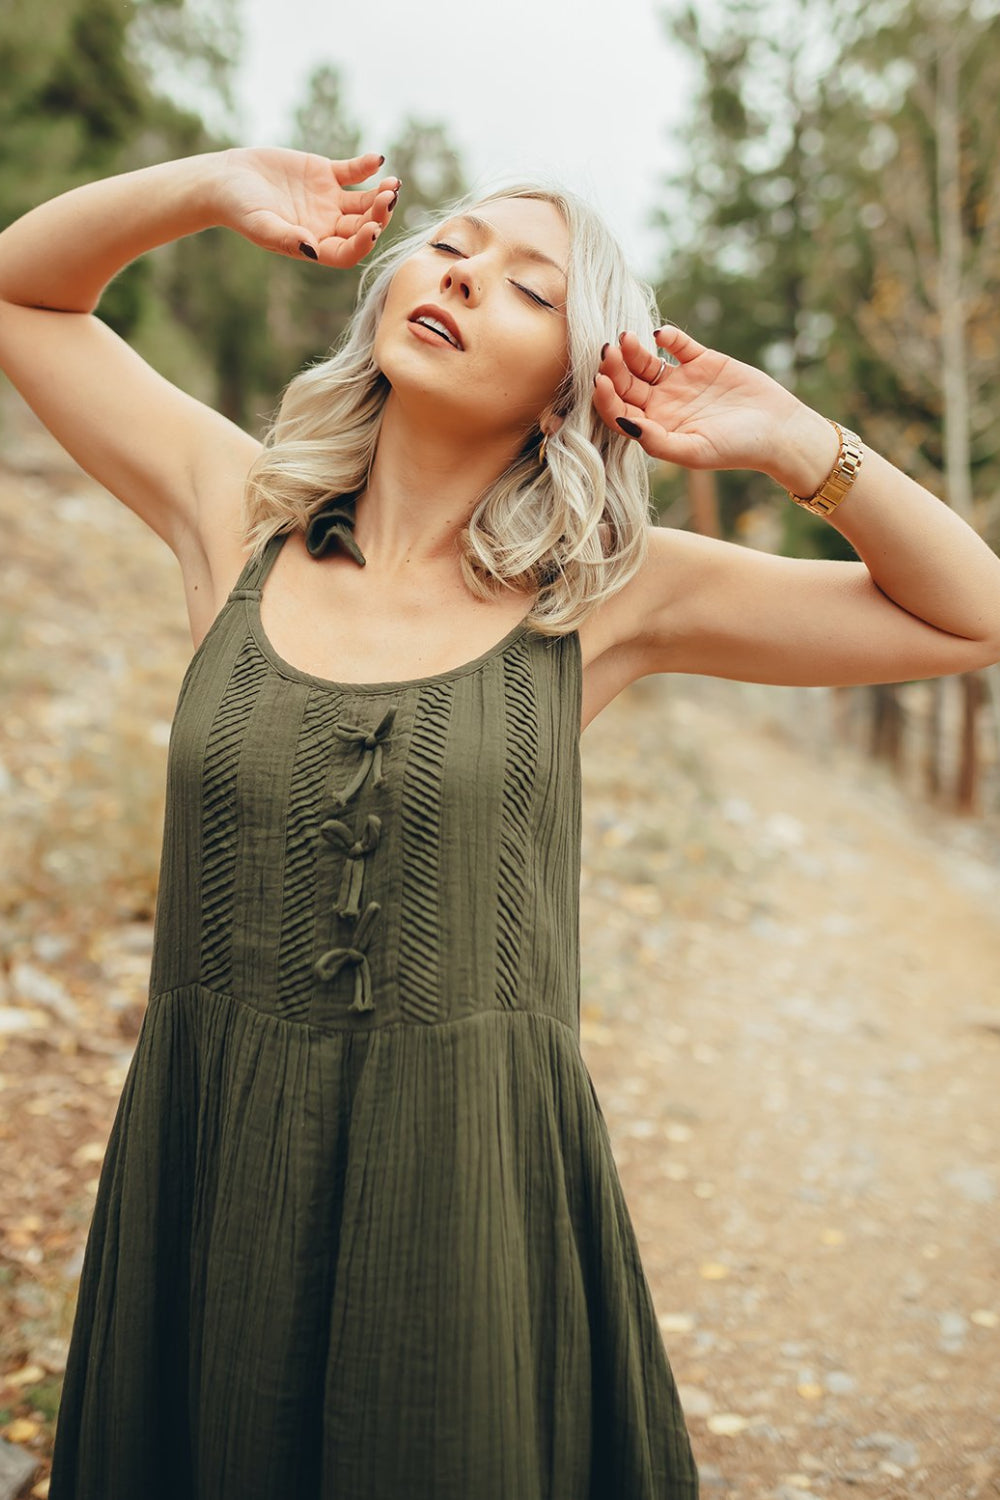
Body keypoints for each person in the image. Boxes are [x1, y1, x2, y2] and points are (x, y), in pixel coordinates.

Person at [1, 146, 999, 1500]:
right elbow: (22, 295)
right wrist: (214, 187)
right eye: (451, 247)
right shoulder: (237, 514)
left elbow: (968, 612)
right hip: (212, 1153)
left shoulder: (608, 597)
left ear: (572, 385)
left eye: (528, 287)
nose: (464, 276)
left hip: (464, 1187)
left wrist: (794, 443)